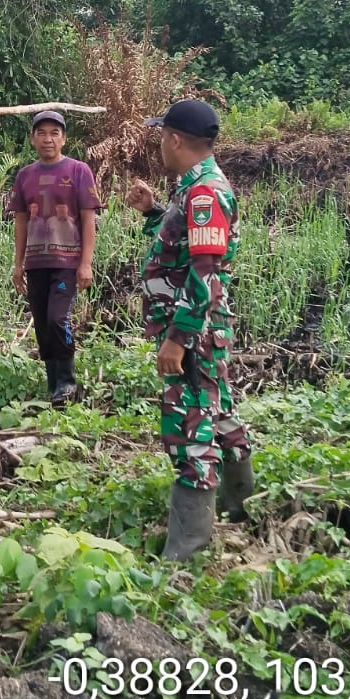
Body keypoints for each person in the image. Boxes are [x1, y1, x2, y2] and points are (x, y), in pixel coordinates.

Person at [123, 98, 252, 561]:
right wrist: (154, 212)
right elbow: (187, 249)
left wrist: (178, 337)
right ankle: (243, 505)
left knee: (190, 426)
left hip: (193, 331)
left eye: (162, 135)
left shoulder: (204, 194)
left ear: (176, 140)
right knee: (217, 412)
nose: (160, 142)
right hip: (199, 328)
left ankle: (188, 548)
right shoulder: (194, 188)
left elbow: (206, 272)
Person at [8, 111, 101, 401]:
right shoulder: (25, 175)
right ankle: (53, 386)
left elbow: (88, 219)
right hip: (36, 263)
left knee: (57, 319)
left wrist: (86, 263)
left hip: (67, 262)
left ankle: (68, 381)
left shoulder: (78, 171)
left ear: (64, 138)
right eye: (42, 133)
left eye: (54, 133)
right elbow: (20, 221)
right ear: (33, 138)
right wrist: (18, 264)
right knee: (40, 322)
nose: (48, 139)